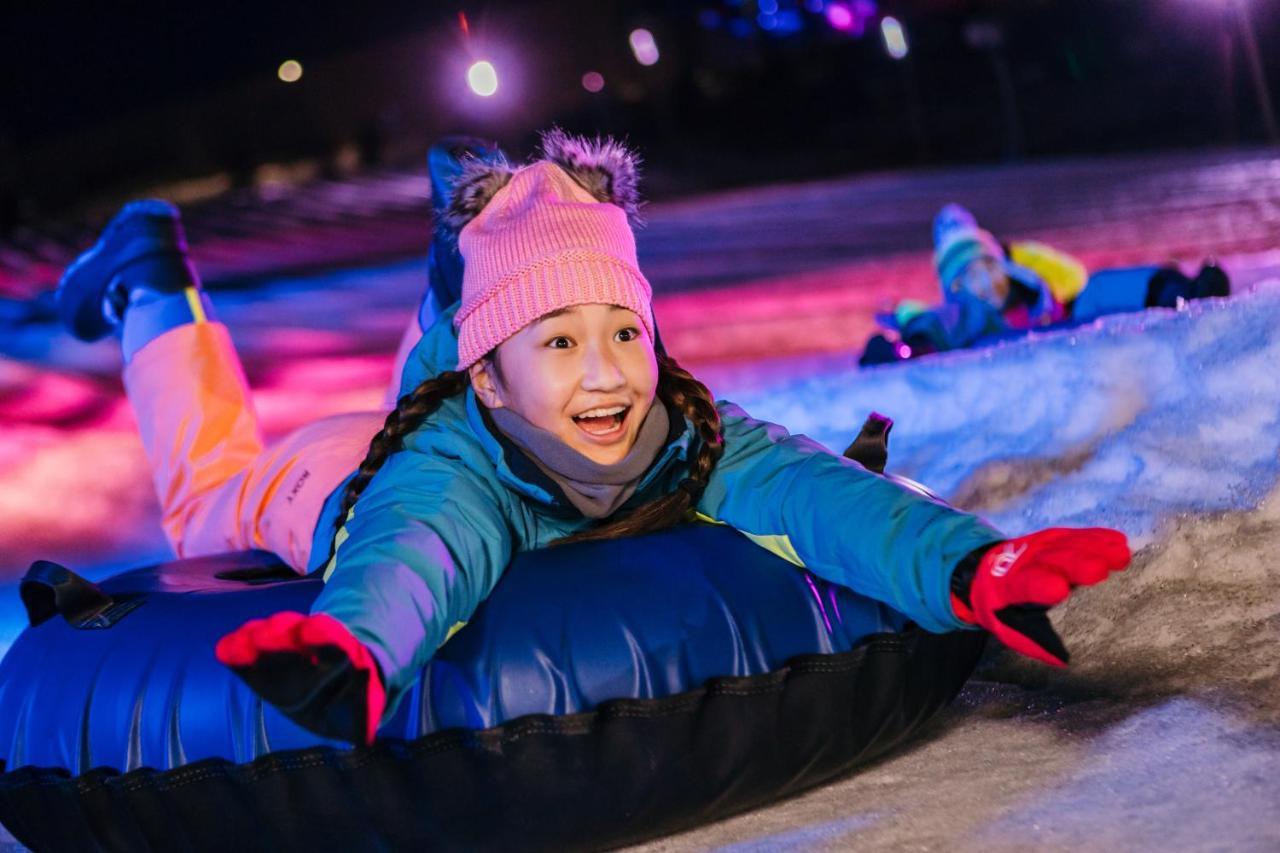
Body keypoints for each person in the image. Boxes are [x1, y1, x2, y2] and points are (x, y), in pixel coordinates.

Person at [56, 131, 1131, 746]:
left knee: (500, 354)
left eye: (626, 329)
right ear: (495, 376)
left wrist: (968, 563)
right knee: (208, 496)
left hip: (476, 381)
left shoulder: (681, 424)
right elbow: (414, 553)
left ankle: (468, 268)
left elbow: (813, 493)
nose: (614, 369)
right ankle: (155, 281)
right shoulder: (453, 468)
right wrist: (362, 653)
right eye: (570, 339)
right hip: (336, 475)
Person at [860, 203, 1231, 365]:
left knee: (1096, 292)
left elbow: (1079, 283)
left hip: (1063, 335)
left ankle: (1180, 291)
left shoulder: (1033, 291)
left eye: (988, 266)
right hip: (1013, 356)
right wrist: (904, 348)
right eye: (969, 276)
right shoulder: (967, 314)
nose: (986, 280)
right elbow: (937, 324)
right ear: (955, 288)